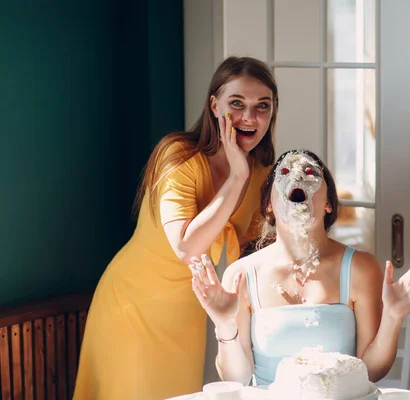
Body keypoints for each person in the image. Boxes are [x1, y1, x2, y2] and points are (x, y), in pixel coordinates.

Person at [74, 56, 279, 400]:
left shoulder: (262, 170)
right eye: (236, 104)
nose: (249, 117)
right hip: (133, 307)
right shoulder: (178, 156)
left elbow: (253, 250)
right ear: (214, 106)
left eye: (263, 105)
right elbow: (186, 247)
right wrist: (236, 175)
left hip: (185, 316)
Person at [190, 149, 410, 386]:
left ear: (328, 204)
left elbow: (371, 372)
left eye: (310, 173)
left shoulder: (361, 268)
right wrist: (224, 324)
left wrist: (392, 317)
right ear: (269, 205)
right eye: (285, 173)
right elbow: (238, 380)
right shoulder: (241, 274)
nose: (298, 176)